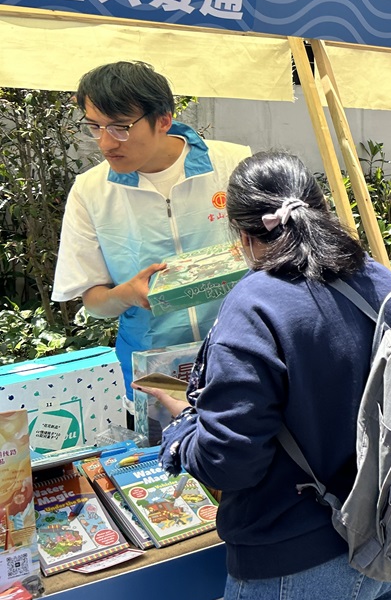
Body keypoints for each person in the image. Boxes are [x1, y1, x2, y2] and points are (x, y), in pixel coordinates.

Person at [136, 151, 391, 600]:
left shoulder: (255, 304)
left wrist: (184, 427)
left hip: (294, 566)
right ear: (320, 209)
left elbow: (228, 461)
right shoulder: (385, 284)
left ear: (243, 236)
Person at [51, 61, 250, 409]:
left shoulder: (233, 165)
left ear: (163, 120)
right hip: (155, 368)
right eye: (94, 127)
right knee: (166, 442)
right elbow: (93, 301)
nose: (105, 143)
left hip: (243, 351)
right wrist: (127, 294)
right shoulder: (91, 191)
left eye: (121, 127)